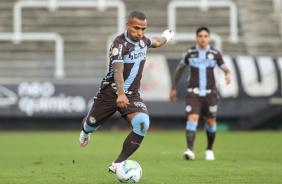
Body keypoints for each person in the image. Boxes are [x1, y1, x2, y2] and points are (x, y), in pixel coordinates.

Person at [79, 10, 174, 173]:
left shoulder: (143, 41)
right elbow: (118, 71)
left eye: (143, 29)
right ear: (127, 25)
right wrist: (120, 94)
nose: (140, 33)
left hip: (132, 95)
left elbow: (156, 42)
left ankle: (117, 164)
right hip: (110, 93)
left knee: (143, 123)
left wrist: (166, 37)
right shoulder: (119, 44)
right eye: (136, 28)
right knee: (90, 124)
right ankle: (86, 130)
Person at [169, 26, 231, 161]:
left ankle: (209, 149)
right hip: (194, 93)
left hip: (210, 93)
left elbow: (225, 68)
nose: (203, 38)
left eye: (205, 36)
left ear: (209, 38)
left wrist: (228, 75)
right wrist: (173, 87)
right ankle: (189, 150)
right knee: (192, 119)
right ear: (197, 38)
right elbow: (179, 70)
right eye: (200, 36)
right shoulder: (190, 53)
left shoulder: (215, 54)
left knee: (210, 121)